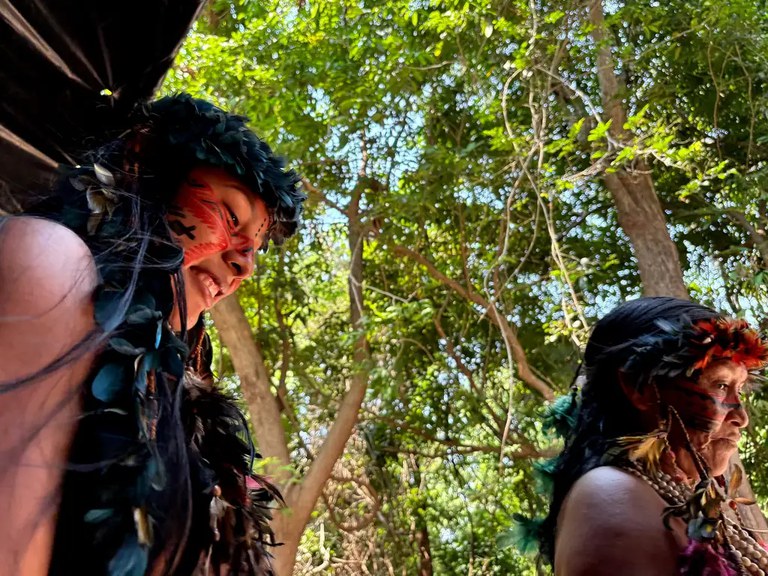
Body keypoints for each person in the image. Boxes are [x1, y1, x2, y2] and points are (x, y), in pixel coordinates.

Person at [0, 94, 305, 575]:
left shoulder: (184, 398)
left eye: (255, 248)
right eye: (231, 217)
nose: (244, 264)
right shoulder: (50, 261)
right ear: (144, 168)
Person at [532, 297, 768, 575]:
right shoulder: (611, 494)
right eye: (721, 385)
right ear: (639, 387)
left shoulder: (659, 498)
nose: (741, 417)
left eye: (738, 389)